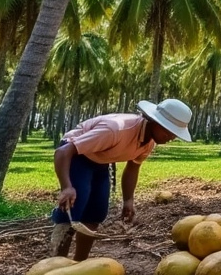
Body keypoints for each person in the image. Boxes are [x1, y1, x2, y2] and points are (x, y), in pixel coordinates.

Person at [51, 99, 192, 260]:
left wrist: (128, 200)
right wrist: (66, 187)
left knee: (95, 213)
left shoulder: (149, 143)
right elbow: (63, 152)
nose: (171, 137)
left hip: (101, 161)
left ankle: (79, 262)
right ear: (154, 121)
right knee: (72, 211)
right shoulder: (116, 130)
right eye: (168, 131)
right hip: (76, 155)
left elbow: (133, 167)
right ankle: (56, 264)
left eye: (174, 133)